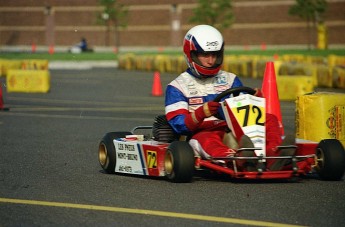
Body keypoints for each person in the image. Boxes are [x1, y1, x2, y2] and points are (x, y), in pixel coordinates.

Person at [164, 24, 291, 171]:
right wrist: (200, 114)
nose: (211, 61)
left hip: (234, 128)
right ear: (191, 54)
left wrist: (254, 99)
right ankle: (236, 160)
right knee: (206, 140)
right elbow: (178, 125)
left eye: (215, 55)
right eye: (205, 55)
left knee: (270, 119)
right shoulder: (177, 86)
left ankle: (274, 155)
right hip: (203, 132)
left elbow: (244, 109)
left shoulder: (230, 79)